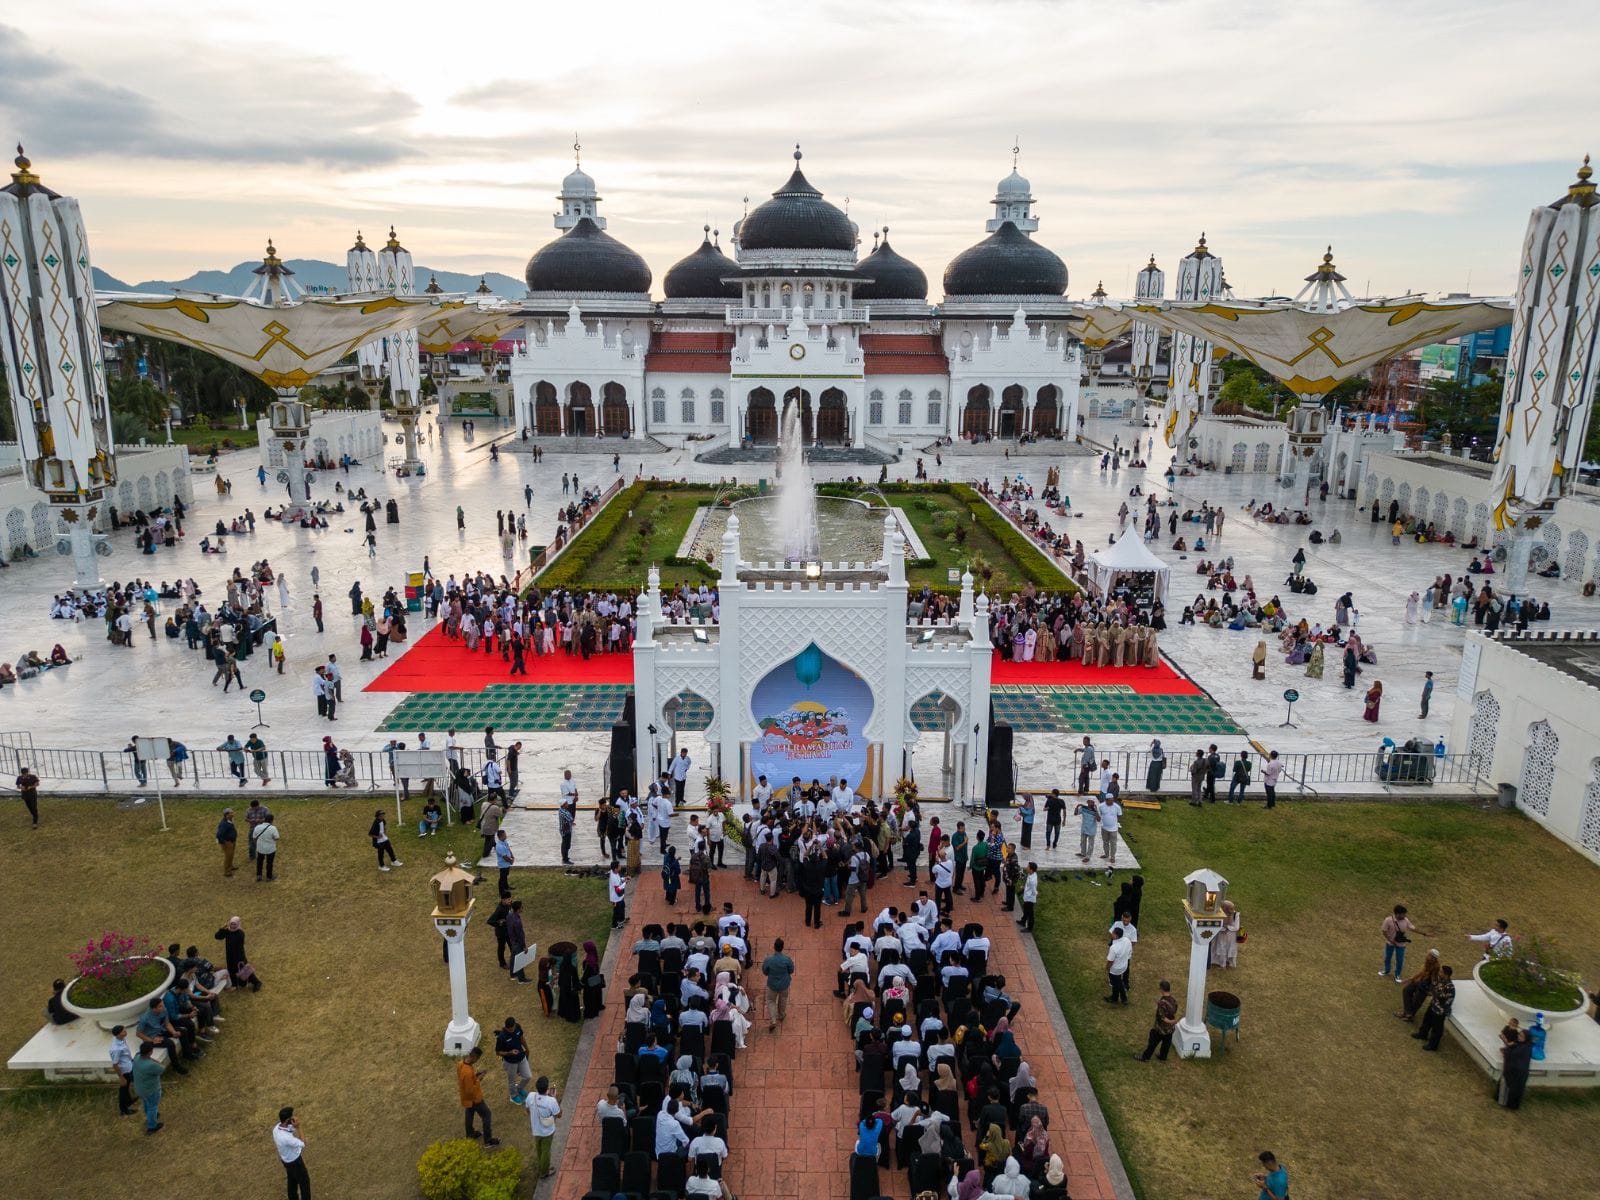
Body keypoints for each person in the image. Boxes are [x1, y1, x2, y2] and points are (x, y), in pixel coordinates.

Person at [457, 1047, 500, 1145]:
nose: (477, 1061)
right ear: (474, 1057)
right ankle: (488, 1141)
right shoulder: (467, 1072)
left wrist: (476, 1075)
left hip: (466, 1099)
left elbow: (465, 1081)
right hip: (474, 1099)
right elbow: (470, 1090)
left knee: (469, 1113)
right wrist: (478, 1079)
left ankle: (470, 1133)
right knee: (486, 1115)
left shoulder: (461, 1064)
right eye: (477, 1059)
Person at [214, 915, 261, 991]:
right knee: (231, 970)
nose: (232, 926)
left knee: (245, 970)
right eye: (231, 924)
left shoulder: (240, 933)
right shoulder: (227, 931)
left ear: (238, 924)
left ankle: (257, 982)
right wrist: (222, 929)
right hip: (230, 955)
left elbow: (235, 943)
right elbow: (217, 937)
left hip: (239, 956)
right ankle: (235, 984)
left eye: (234, 924)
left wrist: (227, 932)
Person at [1136, 980, 1178, 1062]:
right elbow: (1173, 1011)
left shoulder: (1162, 1003)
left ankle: (1145, 1057)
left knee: (1152, 1043)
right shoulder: (1174, 1001)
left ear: (1162, 989)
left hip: (1160, 1028)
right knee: (1166, 1043)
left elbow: (1162, 1017)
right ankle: (1163, 1058)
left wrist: (1171, 1021)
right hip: (1170, 1029)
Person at [274, 1107, 311, 1200]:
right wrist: (299, 1127)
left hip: (286, 1161)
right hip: (295, 1162)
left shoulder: (276, 1129)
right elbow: (303, 1143)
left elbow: (290, 1129)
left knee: (292, 1181)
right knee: (304, 1183)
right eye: (292, 1117)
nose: (294, 1117)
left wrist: (294, 1125)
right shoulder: (286, 1138)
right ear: (287, 1120)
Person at [1415, 965, 1455, 1050]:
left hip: (1440, 1010)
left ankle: (1433, 1045)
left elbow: (1441, 996)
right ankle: (1422, 1034)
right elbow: (1433, 989)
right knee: (1426, 1020)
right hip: (1433, 1005)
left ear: (1446, 975)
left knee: (1437, 1029)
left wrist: (1433, 991)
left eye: (1441, 972)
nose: (1439, 973)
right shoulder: (1440, 981)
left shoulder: (1449, 986)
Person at [528, 1076, 561, 1179]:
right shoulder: (551, 1101)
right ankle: (544, 1172)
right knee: (546, 1151)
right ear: (547, 1088)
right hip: (547, 1131)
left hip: (536, 1129)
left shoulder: (530, 1096)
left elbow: (527, 1110)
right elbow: (559, 1114)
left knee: (539, 1149)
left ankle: (541, 1165)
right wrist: (554, 1098)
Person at [761, 937, 795, 1032]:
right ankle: (781, 1014)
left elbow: (765, 971)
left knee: (771, 1000)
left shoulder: (769, 960)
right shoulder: (787, 959)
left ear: (774, 947)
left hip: (772, 984)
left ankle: (773, 1019)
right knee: (783, 999)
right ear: (782, 947)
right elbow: (791, 970)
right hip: (784, 984)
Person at [495, 1017, 532, 1102]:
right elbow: (498, 1052)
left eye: (513, 1028)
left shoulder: (518, 1027)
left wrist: (527, 1048)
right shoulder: (501, 1037)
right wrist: (509, 1053)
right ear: (506, 1027)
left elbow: (521, 1038)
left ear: (515, 1025)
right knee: (512, 1080)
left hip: (521, 1057)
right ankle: (513, 1095)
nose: (512, 1030)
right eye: (510, 1029)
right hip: (510, 1062)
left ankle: (519, 1088)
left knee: (528, 1076)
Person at [131, 1041, 165, 1134]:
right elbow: (162, 1068)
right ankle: (152, 1127)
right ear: (150, 1052)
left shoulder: (136, 1058)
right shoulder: (151, 1065)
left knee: (147, 1103)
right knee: (153, 1107)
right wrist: (155, 1061)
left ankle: (150, 1117)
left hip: (140, 1089)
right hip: (151, 1090)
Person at [1381, 905, 1420, 981]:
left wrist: (1423, 933)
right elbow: (1384, 931)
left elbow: (1413, 928)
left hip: (1401, 944)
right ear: (1398, 914)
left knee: (1400, 960)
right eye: (1403, 914)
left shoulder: (1406, 920)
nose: (1405, 916)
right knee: (1387, 958)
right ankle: (1386, 970)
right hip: (1390, 943)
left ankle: (1397, 975)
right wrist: (1390, 940)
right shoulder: (1388, 920)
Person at [1498, 1028, 1534, 1108]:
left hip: (1518, 1073)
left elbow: (1513, 1055)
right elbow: (1511, 1049)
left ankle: (1510, 1104)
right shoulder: (1520, 1045)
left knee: (1514, 1090)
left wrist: (1506, 1052)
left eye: (1521, 1036)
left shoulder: (1525, 1048)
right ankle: (1503, 1101)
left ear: (1526, 1038)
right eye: (1519, 1034)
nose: (1519, 1037)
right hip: (1514, 1071)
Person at [109, 1024, 137, 1116]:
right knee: (123, 1089)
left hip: (128, 1066)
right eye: (123, 1031)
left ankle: (129, 1101)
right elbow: (115, 1064)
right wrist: (121, 1077)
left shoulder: (121, 1039)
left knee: (127, 1085)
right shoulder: (116, 1048)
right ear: (118, 1034)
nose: (126, 1032)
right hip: (124, 1070)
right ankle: (123, 1109)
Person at [1104, 926, 1132, 1004]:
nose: (1111, 934)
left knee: (1115, 983)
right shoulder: (1126, 940)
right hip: (1124, 965)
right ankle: (1123, 998)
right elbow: (1130, 950)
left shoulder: (1114, 948)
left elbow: (1110, 961)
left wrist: (1107, 968)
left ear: (1116, 936)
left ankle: (1114, 998)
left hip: (1115, 969)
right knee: (1119, 981)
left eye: (1113, 933)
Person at [1209, 900, 1239, 968]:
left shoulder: (1235, 915)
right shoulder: (1219, 913)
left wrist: (1226, 927)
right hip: (1221, 935)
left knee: (1230, 948)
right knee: (1221, 948)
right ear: (1225, 908)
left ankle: (1229, 962)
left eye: (1233, 908)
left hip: (1231, 937)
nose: (1232, 910)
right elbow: (1218, 926)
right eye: (1230, 908)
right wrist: (1223, 928)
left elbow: (1236, 927)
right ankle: (1220, 963)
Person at [254, 813, 280, 881]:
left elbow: (254, 837)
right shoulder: (273, 828)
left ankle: (259, 875)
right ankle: (269, 877)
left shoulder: (257, 827)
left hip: (260, 848)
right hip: (270, 849)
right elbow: (277, 838)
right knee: (269, 863)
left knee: (259, 862)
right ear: (271, 820)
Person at [216, 808, 238, 877]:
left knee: (231, 855)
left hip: (232, 841)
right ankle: (227, 872)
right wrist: (224, 843)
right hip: (228, 842)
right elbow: (219, 835)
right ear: (227, 815)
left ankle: (230, 866)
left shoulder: (229, 821)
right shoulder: (224, 824)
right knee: (228, 856)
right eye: (231, 813)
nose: (233, 814)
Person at [1018, 862, 1039, 932]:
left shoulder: (1033, 880)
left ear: (1031, 870)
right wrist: (1024, 887)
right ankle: (1023, 921)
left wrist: (1036, 893)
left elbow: (1033, 890)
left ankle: (1029, 928)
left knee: (1030, 914)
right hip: (1027, 896)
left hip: (1029, 899)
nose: (1026, 867)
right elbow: (1029, 885)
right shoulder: (1031, 874)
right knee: (1026, 910)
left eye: (1028, 867)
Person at [609, 862, 627, 928]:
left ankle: (621, 920)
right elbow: (618, 890)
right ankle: (615, 925)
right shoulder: (613, 878)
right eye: (619, 866)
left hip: (620, 897)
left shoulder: (614, 872)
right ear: (616, 869)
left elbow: (619, 880)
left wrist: (623, 879)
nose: (620, 866)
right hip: (616, 899)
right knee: (616, 912)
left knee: (622, 908)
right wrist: (625, 883)